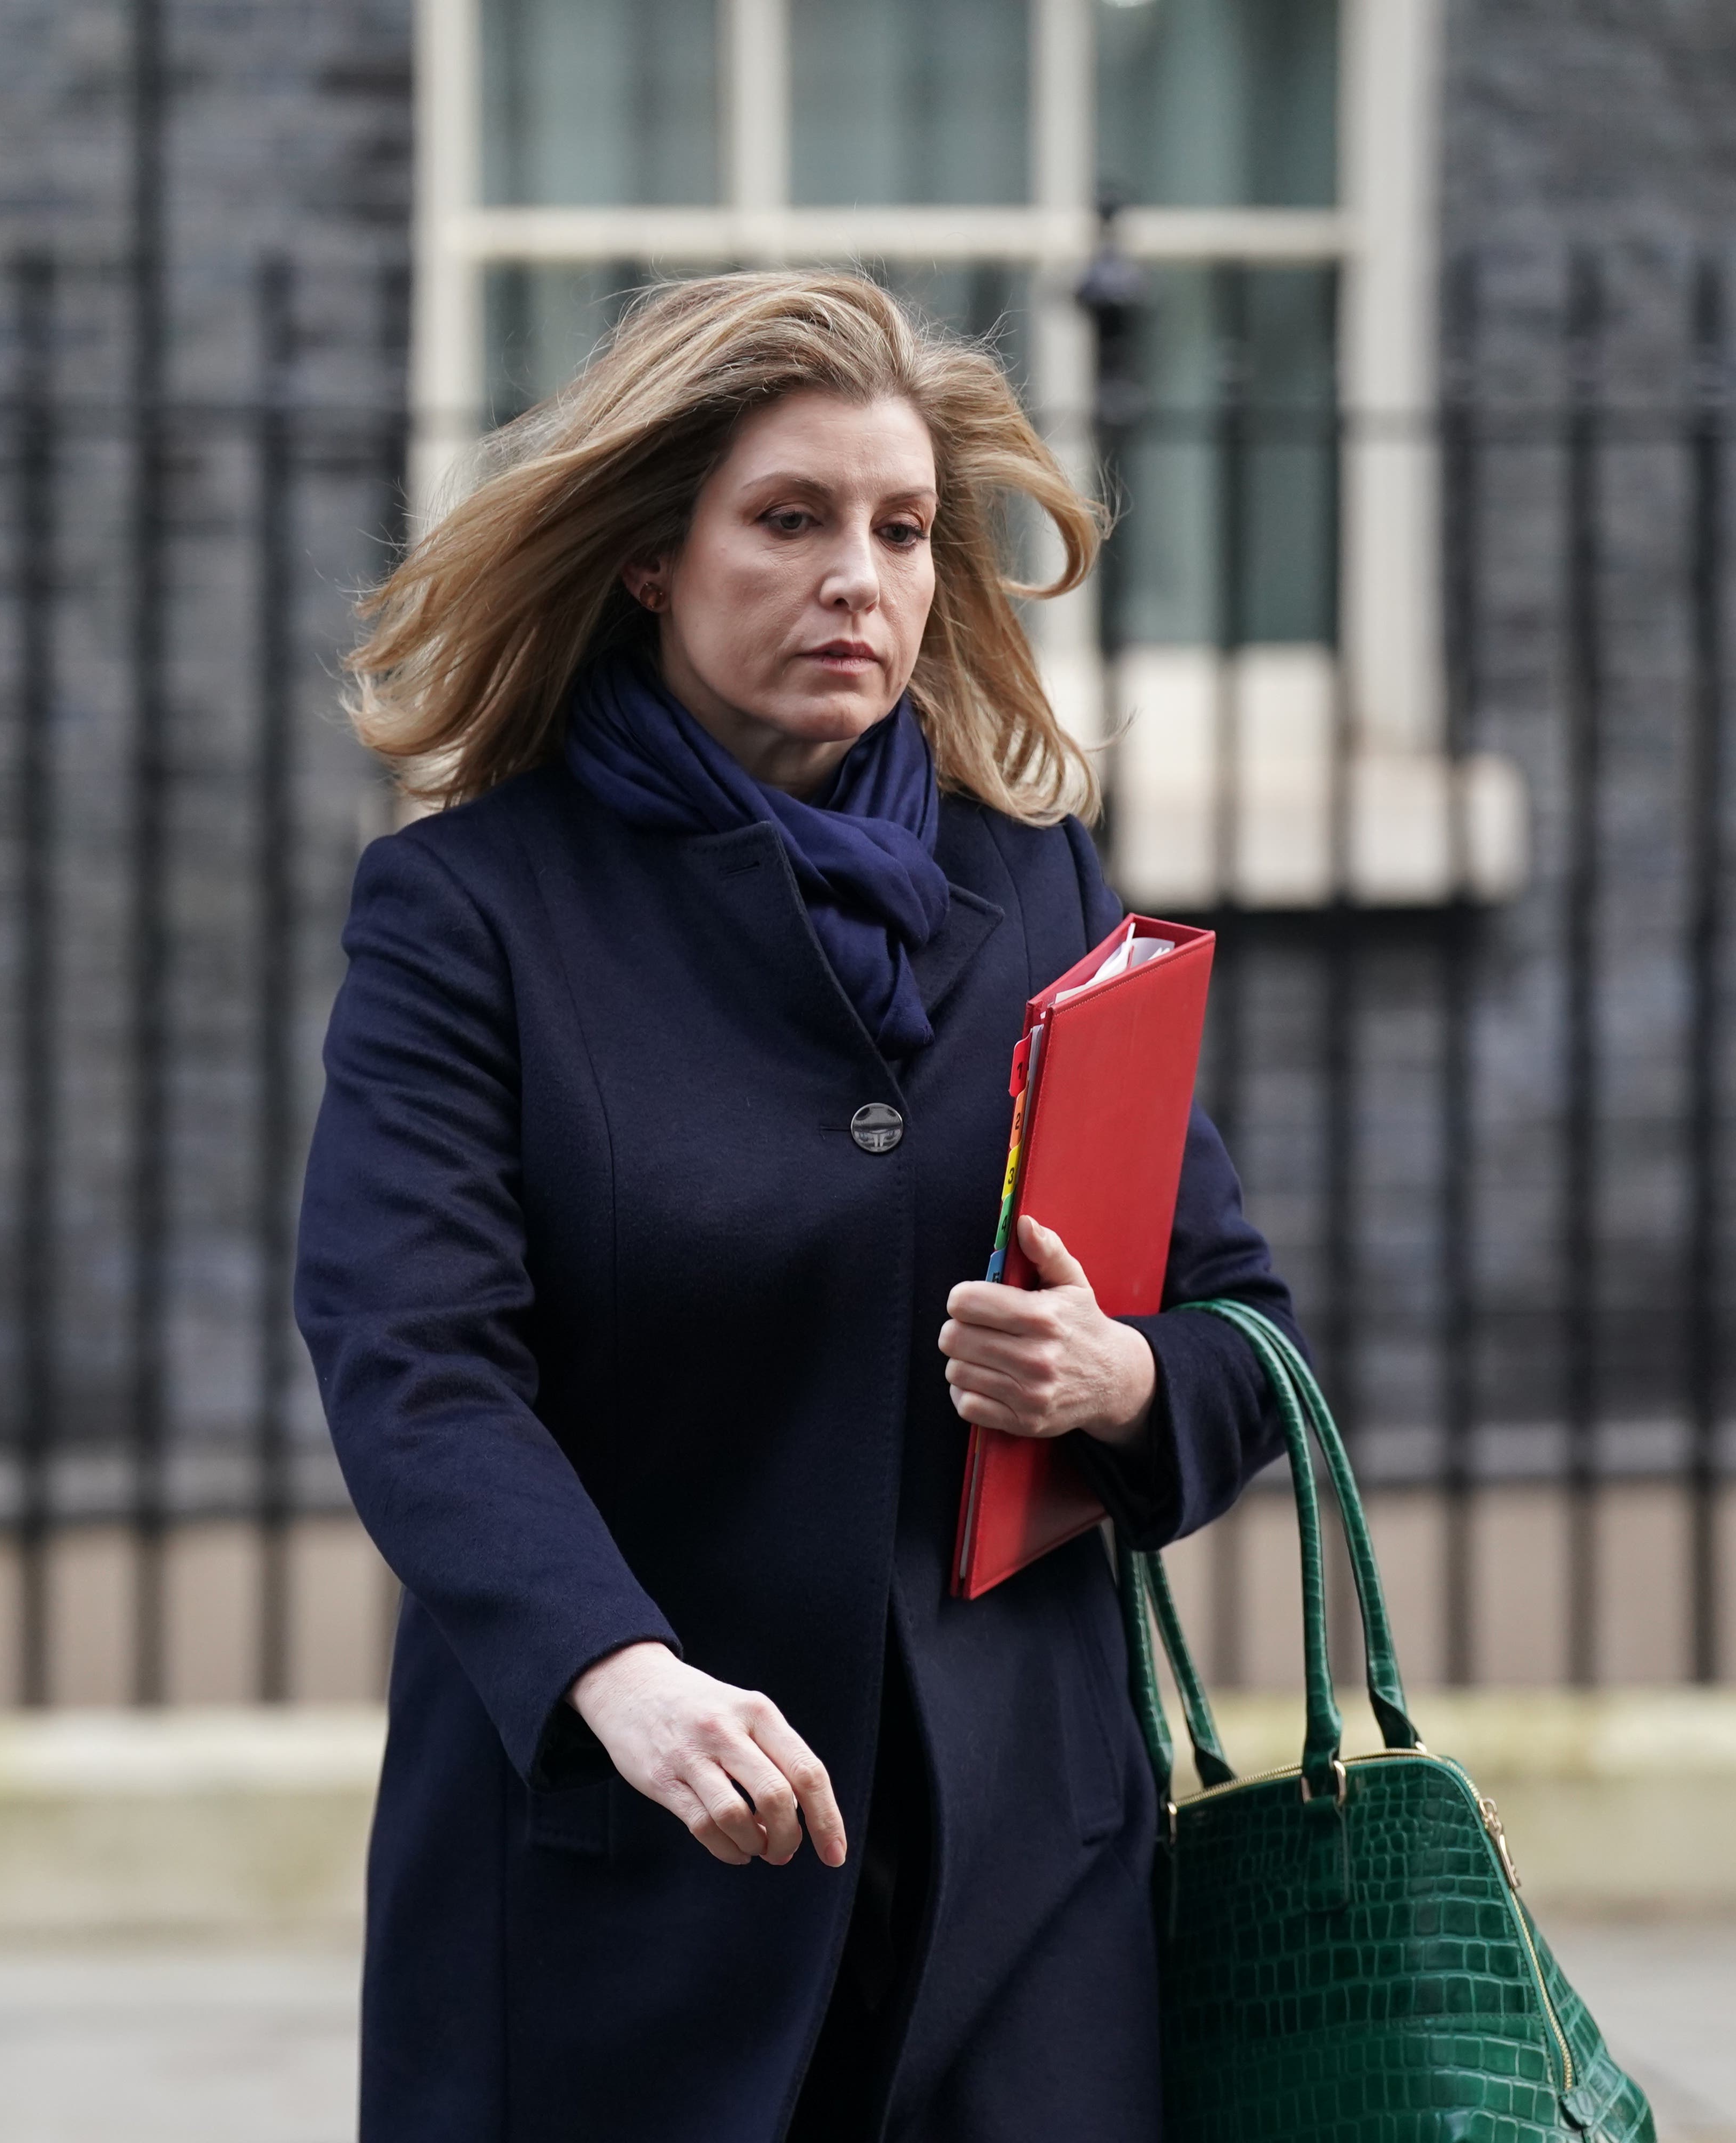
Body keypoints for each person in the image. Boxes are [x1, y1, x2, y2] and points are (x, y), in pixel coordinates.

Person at [297, 270, 1300, 2143]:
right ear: (650, 562)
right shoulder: (470, 917)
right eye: (791, 519)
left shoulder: (1043, 890)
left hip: (1025, 1890)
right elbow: (415, 1367)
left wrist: (1114, 1378)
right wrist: (620, 1673)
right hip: (634, 1871)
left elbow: (1246, 1329)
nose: (864, 576)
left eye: (905, 528)